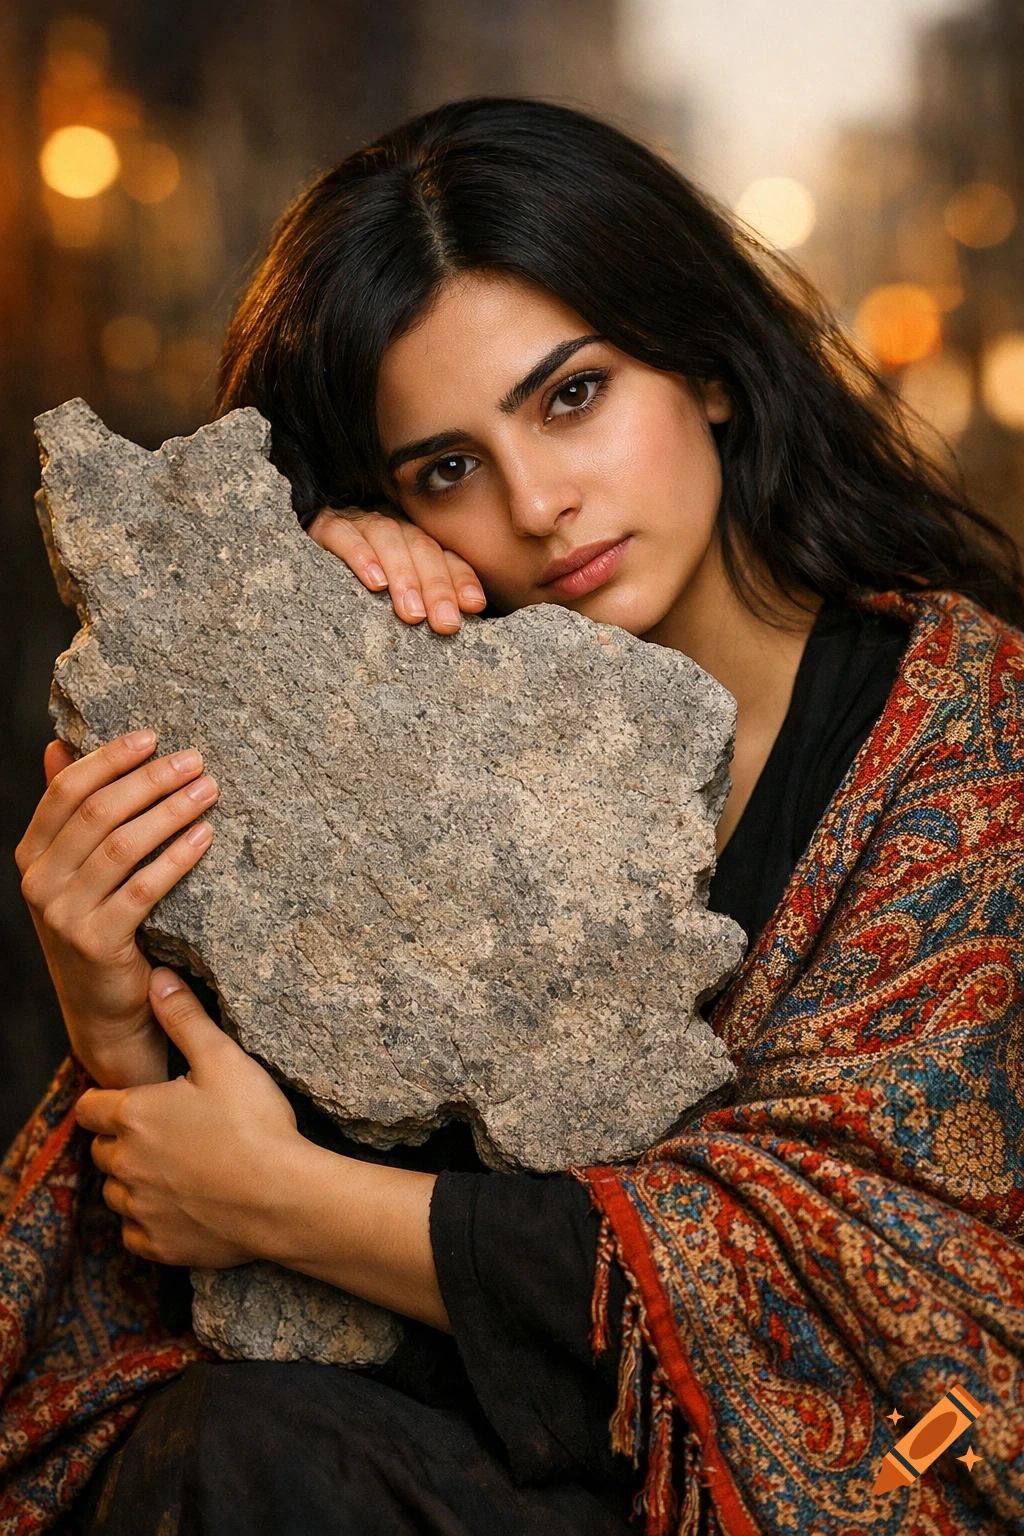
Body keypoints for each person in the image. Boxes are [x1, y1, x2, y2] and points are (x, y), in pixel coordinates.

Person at [3, 97, 1024, 1536]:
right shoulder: (400, 733)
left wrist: (297, 1206)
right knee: (226, 1444)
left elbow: (868, 1285)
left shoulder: (969, 739)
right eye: (444, 468)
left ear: (706, 369)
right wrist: (115, 998)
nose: (538, 504)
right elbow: (226, 1272)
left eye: (570, 396)